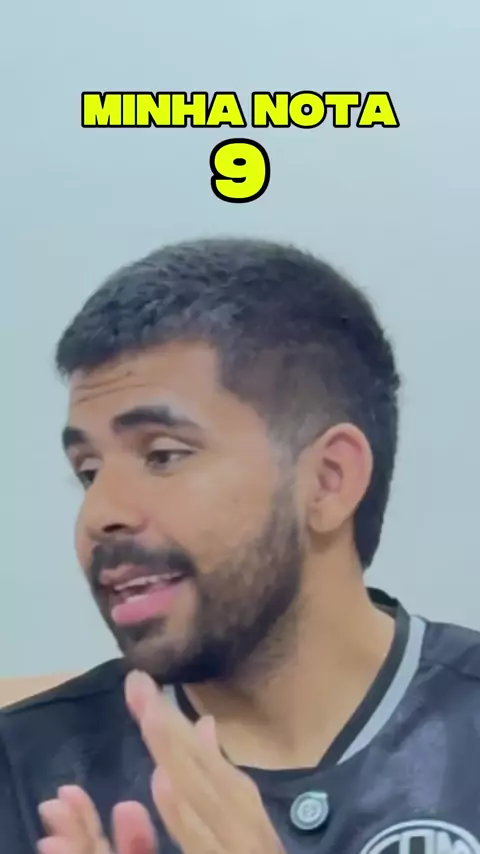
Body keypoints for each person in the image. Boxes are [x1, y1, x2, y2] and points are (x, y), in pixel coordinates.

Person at [2, 238, 480, 854]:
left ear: (328, 480)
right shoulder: (26, 776)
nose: (100, 515)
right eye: (88, 472)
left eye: (162, 456)